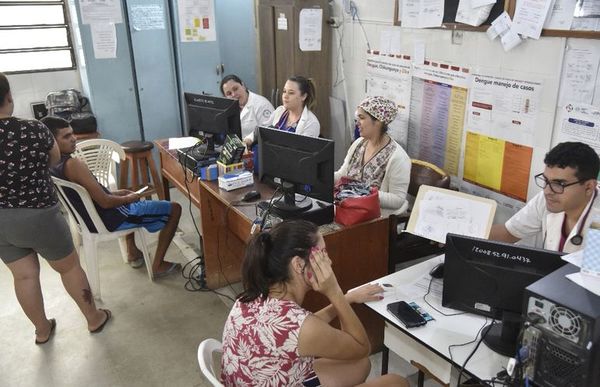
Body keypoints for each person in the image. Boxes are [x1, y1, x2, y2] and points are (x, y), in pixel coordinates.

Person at [221, 220, 408, 386]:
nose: (330, 261)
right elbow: (361, 347)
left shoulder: (249, 299)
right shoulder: (302, 327)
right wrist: (335, 292)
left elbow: (296, 332)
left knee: (360, 365)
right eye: (323, 254)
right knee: (397, 382)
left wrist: (348, 298)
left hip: (263, 378)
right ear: (299, 264)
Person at [0, 72, 111, 344]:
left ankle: (41, 330)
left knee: (24, 276)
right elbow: (54, 159)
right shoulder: (34, 129)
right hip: (39, 213)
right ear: (9, 96)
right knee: (69, 267)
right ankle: (93, 319)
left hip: (2, 221)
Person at [42, 116, 182, 277]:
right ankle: (159, 264)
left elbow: (92, 195)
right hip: (109, 218)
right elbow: (106, 202)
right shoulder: (73, 165)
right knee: (174, 209)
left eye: (72, 134)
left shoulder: (51, 164)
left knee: (125, 197)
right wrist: (129, 198)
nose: (74, 139)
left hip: (89, 218)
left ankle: (132, 251)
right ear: (51, 141)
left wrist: (119, 194)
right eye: (66, 136)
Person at [489, 142, 600, 253]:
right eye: (546, 180)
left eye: (559, 184)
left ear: (588, 187)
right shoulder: (548, 198)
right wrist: (472, 237)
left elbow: (592, 269)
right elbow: (509, 232)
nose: (547, 191)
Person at [335, 96, 411, 213]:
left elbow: (398, 200)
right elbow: (343, 174)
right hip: (350, 208)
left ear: (378, 121)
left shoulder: (399, 158)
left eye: (362, 118)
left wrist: (364, 192)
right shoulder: (359, 144)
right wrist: (323, 176)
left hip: (375, 218)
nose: (357, 123)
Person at [220, 74, 275, 147]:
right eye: (229, 93)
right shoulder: (228, 109)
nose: (234, 94)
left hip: (258, 149)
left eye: (235, 89)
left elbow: (268, 130)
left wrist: (249, 140)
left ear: (243, 85)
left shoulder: (262, 104)